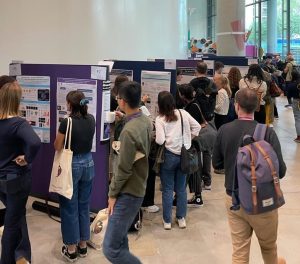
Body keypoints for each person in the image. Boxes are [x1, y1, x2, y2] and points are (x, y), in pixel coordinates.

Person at [212, 88, 286, 264]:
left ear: (236, 106)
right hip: (264, 202)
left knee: (239, 251)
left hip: (234, 199)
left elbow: (217, 164)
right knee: (268, 248)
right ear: (257, 108)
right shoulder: (267, 133)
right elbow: (281, 171)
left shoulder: (224, 130)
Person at [103, 81, 152, 264]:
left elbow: (123, 169)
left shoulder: (128, 133)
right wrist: (122, 118)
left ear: (122, 101)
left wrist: (112, 194)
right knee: (120, 240)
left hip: (127, 191)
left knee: (110, 249)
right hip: (138, 185)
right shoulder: (145, 121)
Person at [0, 81, 41, 264]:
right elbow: (34, 143)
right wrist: (27, 158)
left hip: (1, 180)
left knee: (15, 216)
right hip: (16, 179)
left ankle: (22, 256)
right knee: (11, 225)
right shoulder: (18, 124)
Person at [54, 91, 95, 262]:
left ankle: (71, 249)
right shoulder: (91, 118)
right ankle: (83, 246)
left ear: (70, 104)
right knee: (84, 206)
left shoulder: (66, 122)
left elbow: (57, 146)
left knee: (69, 207)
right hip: (89, 163)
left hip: (72, 165)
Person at [155, 91, 201, 229]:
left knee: (168, 189)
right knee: (181, 189)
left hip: (169, 156)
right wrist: (188, 139)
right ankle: (181, 218)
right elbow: (197, 127)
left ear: (160, 104)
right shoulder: (183, 113)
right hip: (185, 155)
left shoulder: (160, 119)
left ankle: (167, 221)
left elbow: (160, 140)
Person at [190, 61, 217, 186]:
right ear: (207, 71)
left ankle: (198, 178)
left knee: (197, 149)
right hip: (209, 119)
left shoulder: (192, 84)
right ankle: (207, 180)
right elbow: (213, 101)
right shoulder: (212, 84)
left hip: (195, 120)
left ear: (196, 70)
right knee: (207, 151)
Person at [178, 84, 206, 207]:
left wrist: (188, 139)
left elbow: (195, 127)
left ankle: (196, 197)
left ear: (183, 95)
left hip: (192, 144)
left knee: (191, 170)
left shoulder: (191, 107)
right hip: (192, 143)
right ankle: (197, 197)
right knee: (193, 170)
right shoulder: (192, 105)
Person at [286, 70, 300, 143]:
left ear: (292, 76)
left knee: (297, 118)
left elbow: (288, 95)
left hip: (296, 101)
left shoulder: (291, 84)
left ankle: (299, 137)